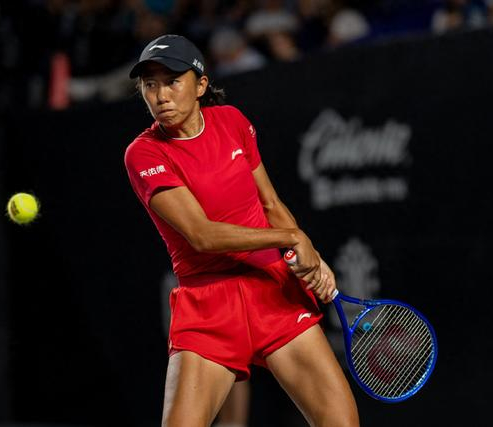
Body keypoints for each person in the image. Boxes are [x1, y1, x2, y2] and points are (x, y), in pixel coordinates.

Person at [124, 34, 359, 427]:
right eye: (151, 84)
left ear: (200, 85)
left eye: (172, 81)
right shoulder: (144, 153)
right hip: (208, 305)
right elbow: (203, 236)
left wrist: (312, 260)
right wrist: (292, 238)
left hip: (272, 289)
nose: (161, 96)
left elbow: (270, 205)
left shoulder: (233, 122)